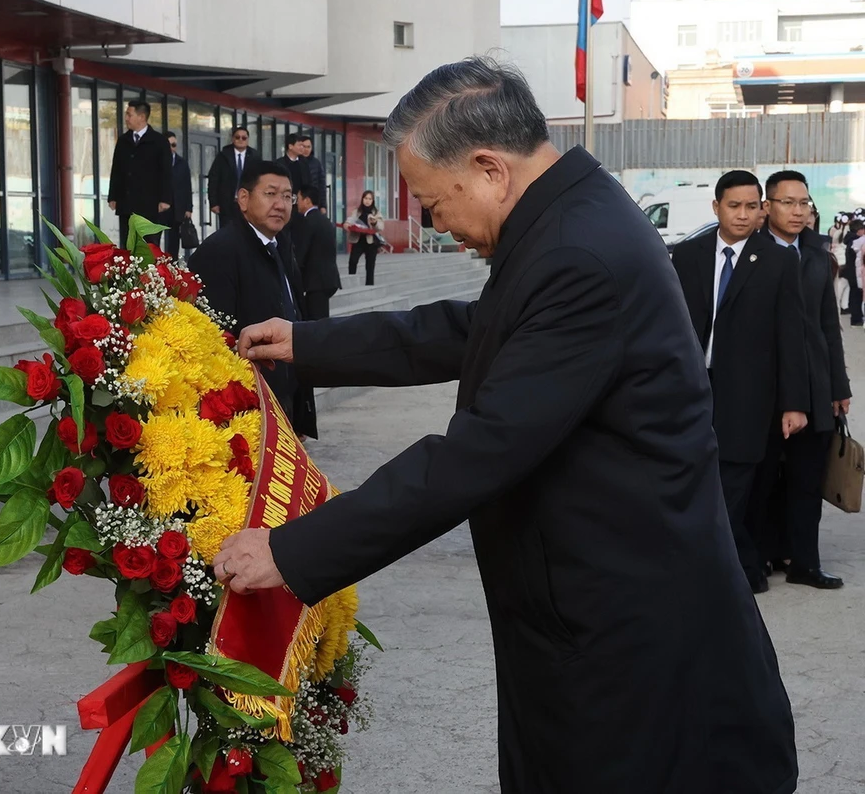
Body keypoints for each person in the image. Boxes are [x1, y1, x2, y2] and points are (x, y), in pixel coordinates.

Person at [213, 57, 797, 794]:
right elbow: (475, 328)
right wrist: (307, 342)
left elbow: (481, 450)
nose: (435, 221)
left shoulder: (578, 251)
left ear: (489, 168)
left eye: (434, 199)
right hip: (591, 611)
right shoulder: (568, 218)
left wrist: (294, 551)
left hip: (627, 638)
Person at [671, 170, 809, 593]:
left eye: (752, 206)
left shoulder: (779, 260)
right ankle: (744, 567)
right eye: (734, 206)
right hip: (692, 391)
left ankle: (720, 576)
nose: (744, 215)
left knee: (735, 487)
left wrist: (794, 403)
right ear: (716, 207)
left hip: (748, 398)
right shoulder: (687, 256)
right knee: (696, 480)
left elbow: (792, 335)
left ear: (762, 209)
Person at [759, 170, 850, 589]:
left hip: (814, 384)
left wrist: (839, 386)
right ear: (768, 206)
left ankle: (805, 563)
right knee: (762, 478)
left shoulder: (817, 252)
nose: (798, 211)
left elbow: (828, 325)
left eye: (804, 203)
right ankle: (761, 555)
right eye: (787, 202)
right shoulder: (752, 251)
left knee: (806, 478)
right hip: (765, 384)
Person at [188, 160, 317, 439]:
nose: (281, 204)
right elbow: (215, 340)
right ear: (244, 199)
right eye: (270, 194)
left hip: (285, 394)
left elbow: (294, 312)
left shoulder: (280, 243)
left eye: (287, 196)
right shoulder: (219, 252)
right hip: (250, 405)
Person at [106, 100, 172, 248]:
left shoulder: (158, 141)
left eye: (129, 115)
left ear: (141, 117)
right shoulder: (124, 140)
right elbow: (116, 169)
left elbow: (166, 172)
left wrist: (165, 199)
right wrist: (113, 196)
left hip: (149, 204)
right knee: (127, 245)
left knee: (148, 245)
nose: (126, 118)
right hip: (126, 203)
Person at [294, 185, 341, 320]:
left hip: (316, 281)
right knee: (321, 319)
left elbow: (302, 253)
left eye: (299, 199)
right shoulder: (324, 220)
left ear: (307, 200)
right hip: (328, 279)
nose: (297, 202)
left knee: (316, 323)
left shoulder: (308, 222)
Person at [207, 126, 259, 228]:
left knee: (246, 233)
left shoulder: (255, 157)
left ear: (248, 140)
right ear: (232, 139)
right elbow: (214, 180)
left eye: (244, 138)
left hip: (248, 203)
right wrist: (213, 203)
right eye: (237, 137)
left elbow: (260, 180)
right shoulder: (223, 156)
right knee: (227, 234)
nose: (240, 140)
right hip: (227, 203)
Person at [163, 131, 194, 261]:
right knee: (155, 238)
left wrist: (188, 208)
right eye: (168, 145)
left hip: (177, 207)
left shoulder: (182, 163)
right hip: (160, 206)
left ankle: (172, 266)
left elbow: (187, 186)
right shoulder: (156, 161)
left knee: (173, 241)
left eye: (174, 145)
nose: (171, 148)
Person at [346, 191, 384, 285]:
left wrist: (375, 222)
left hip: (371, 242)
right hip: (358, 240)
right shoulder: (357, 211)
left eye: (370, 199)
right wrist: (347, 224)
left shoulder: (376, 213)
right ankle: (351, 282)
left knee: (370, 266)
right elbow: (350, 220)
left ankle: (369, 285)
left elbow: (381, 227)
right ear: (362, 199)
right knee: (352, 261)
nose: (367, 201)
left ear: (373, 200)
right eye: (366, 198)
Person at [276, 133, 305, 215]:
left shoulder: (304, 164)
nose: (302, 148)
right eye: (299, 145)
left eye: (303, 146)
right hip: (284, 202)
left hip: (300, 204)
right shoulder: (279, 163)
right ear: (290, 146)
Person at [844, 219, 864, 325]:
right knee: (857, 296)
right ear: (859, 230)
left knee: (854, 294)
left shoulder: (849, 240)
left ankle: (855, 317)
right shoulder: (857, 242)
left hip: (851, 271)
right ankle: (857, 318)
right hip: (856, 273)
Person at [298, 135, 327, 202]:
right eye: (304, 146)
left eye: (308, 147)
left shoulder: (317, 163)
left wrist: (323, 205)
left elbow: (322, 185)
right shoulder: (295, 162)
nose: (306, 149)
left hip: (314, 201)